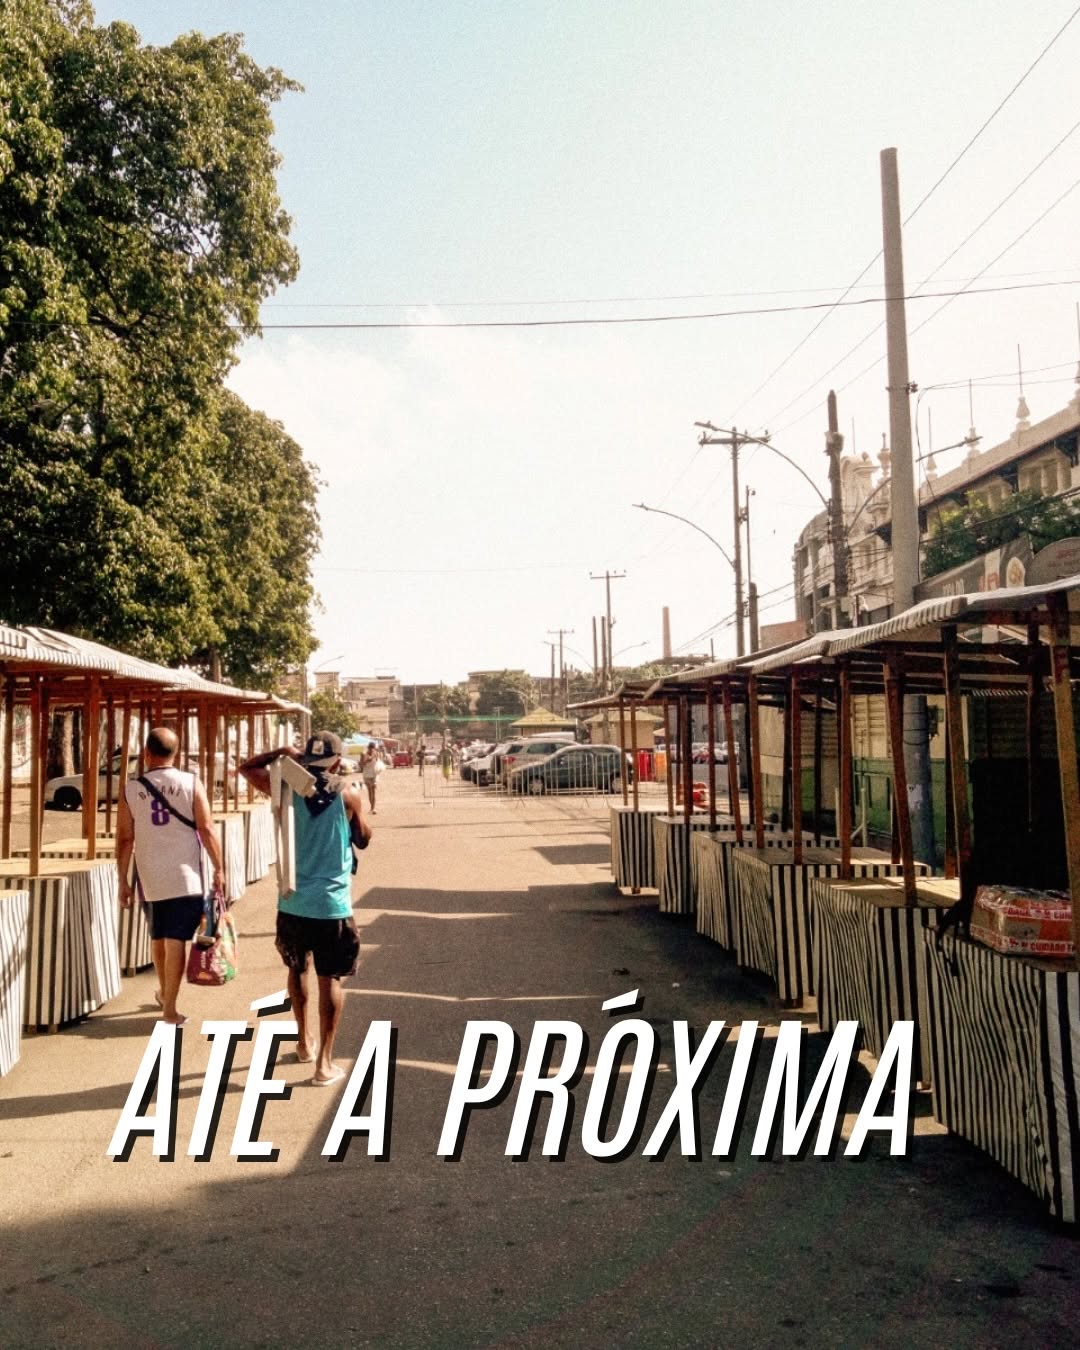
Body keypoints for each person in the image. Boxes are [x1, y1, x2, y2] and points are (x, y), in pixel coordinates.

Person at [240, 729, 370, 1086]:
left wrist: (281, 752)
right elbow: (363, 838)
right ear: (337, 762)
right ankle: (324, 1064)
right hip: (332, 904)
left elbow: (246, 768)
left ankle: (303, 1043)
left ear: (305, 760)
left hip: (293, 901)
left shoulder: (284, 788)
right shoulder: (349, 793)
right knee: (331, 978)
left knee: (297, 970)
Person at [116, 727, 227, 1026]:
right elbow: (206, 828)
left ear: (146, 754)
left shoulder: (131, 789)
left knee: (159, 935)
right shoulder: (190, 783)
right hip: (185, 875)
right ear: (176, 754)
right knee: (176, 938)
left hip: (150, 877)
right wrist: (219, 867)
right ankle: (169, 1009)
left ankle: (166, 993)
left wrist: (122, 879)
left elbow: (125, 838)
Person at [361, 742, 384, 813]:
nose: (371, 750)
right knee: (369, 791)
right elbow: (361, 764)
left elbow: (379, 762)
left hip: (374, 775)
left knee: (373, 790)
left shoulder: (376, 754)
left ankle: (373, 808)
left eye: (373, 748)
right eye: (370, 748)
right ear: (368, 748)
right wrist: (368, 760)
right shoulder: (363, 754)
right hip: (367, 775)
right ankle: (371, 807)